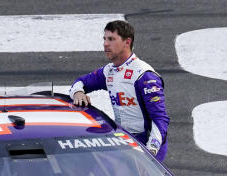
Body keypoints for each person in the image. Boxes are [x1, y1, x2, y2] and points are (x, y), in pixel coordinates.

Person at [68, 20, 169, 161]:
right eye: (104, 39)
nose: (105, 44)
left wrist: (150, 152)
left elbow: (160, 119)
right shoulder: (109, 71)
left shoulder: (144, 75)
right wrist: (78, 93)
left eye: (111, 39)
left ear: (127, 42)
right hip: (124, 140)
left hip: (146, 144)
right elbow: (80, 82)